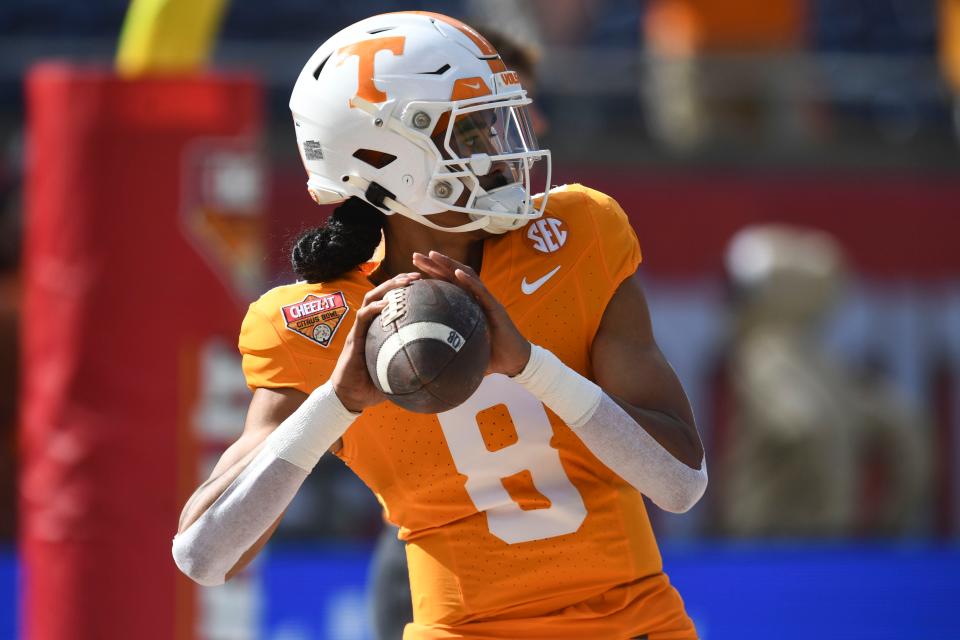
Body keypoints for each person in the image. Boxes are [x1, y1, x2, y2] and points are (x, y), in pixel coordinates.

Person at [172, 11, 707, 640]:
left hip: (635, 625)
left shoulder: (578, 232)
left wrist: (533, 367)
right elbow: (204, 557)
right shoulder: (311, 324)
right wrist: (336, 404)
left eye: (495, 122)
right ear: (382, 158)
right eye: (470, 131)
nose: (501, 147)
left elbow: (678, 484)